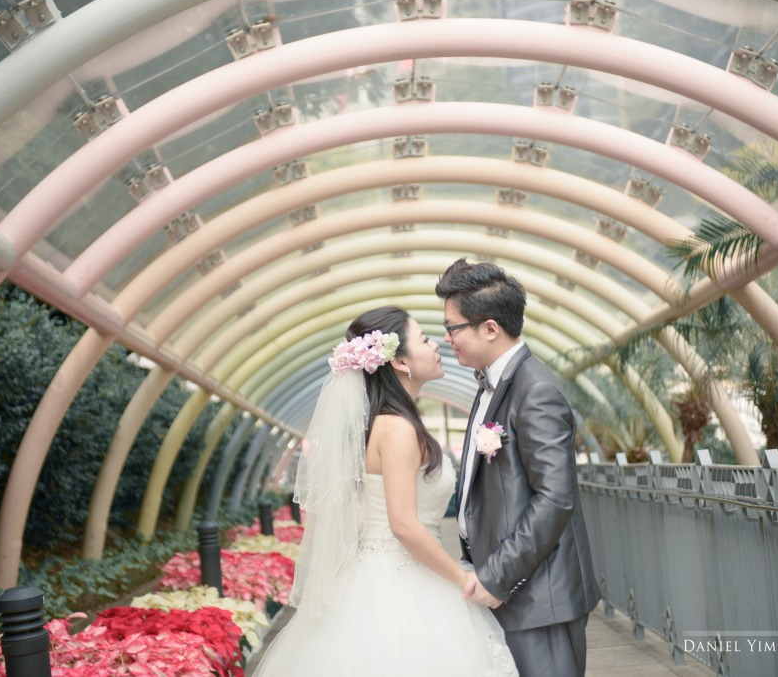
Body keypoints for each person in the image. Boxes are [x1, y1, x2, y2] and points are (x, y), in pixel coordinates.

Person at [251, 306, 518, 676]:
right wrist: (465, 580)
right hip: (401, 581)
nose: (437, 345)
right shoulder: (397, 429)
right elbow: (403, 525)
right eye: (424, 339)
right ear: (401, 362)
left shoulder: (387, 423)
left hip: (378, 576)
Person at [435, 259, 601, 677]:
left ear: (490, 328)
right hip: (511, 589)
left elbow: (555, 499)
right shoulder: (491, 384)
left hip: (539, 597)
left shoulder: (535, 390)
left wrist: (497, 576)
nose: (446, 338)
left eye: (452, 328)